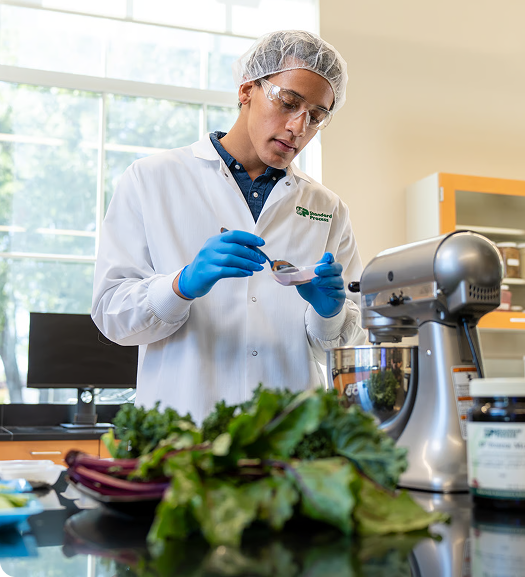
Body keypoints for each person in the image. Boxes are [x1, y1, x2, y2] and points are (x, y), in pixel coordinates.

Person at [91, 30, 366, 425]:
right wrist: (180, 286)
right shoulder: (152, 179)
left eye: (316, 117)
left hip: (286, 438)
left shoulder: (327, 208)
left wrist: (330, 313)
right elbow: (112, 315)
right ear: (247, 90)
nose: (298, 127)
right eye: (289, 103)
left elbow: (344, 349)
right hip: (184, 433)